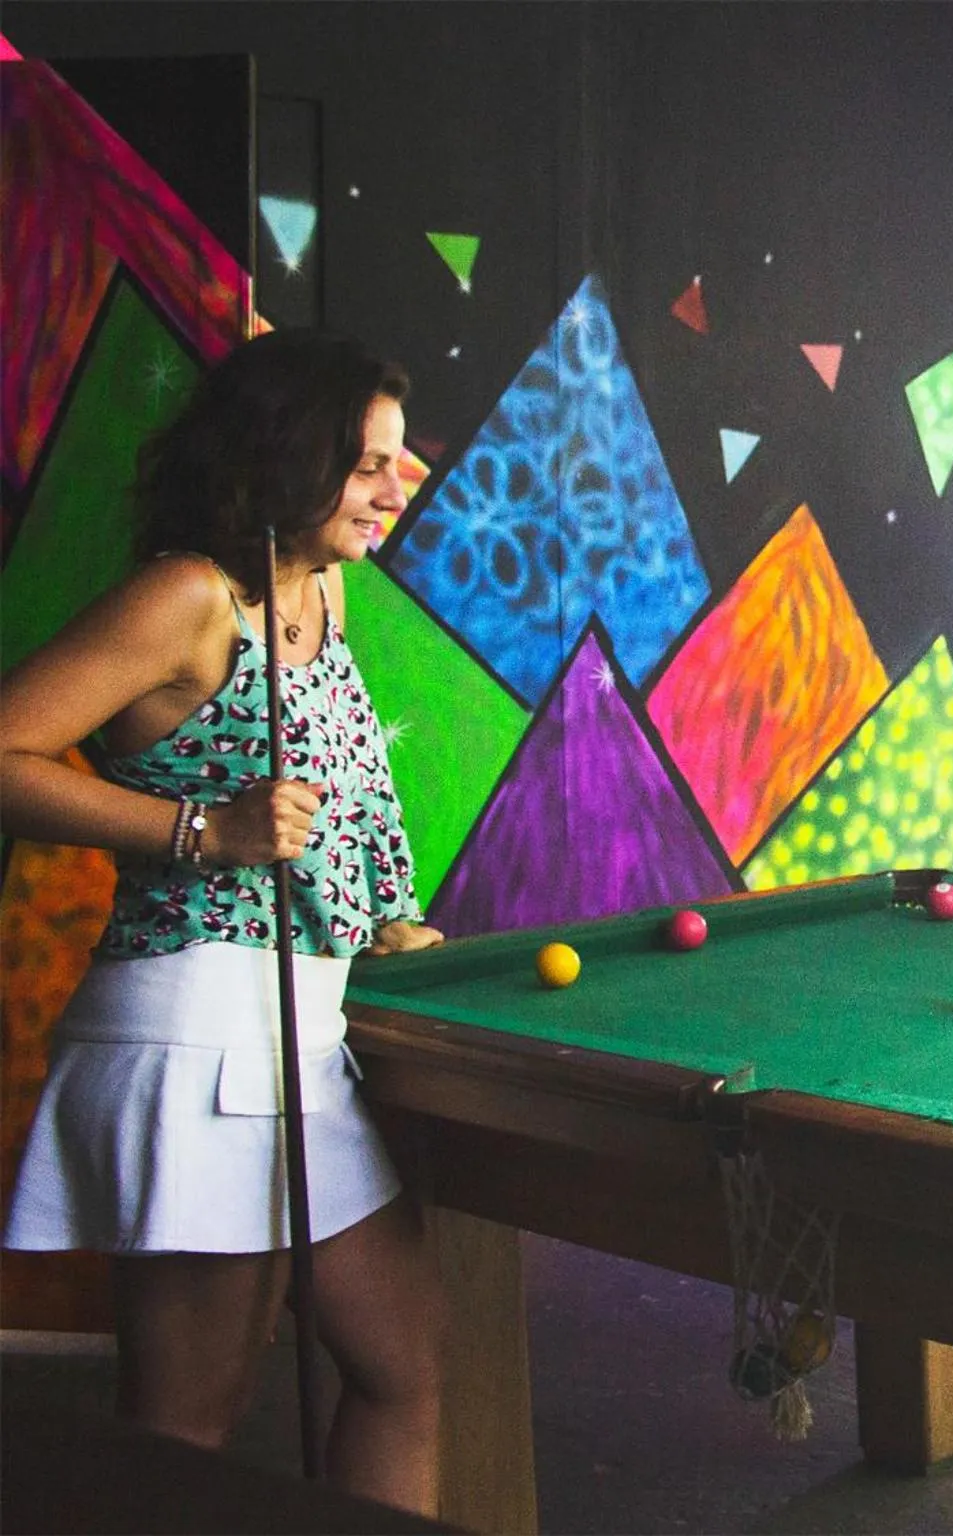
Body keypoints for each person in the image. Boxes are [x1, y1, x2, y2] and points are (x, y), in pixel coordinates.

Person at [0, 329, 447, 1516]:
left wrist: (382, 916)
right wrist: (204, 830)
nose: (399, 487)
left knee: (405, 1374)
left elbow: (336, 797)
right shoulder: (190, 595)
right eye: (367, 466)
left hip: (305, 1032)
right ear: (287, 458)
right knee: (181, 1441)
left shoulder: (321, 590)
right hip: (195, 1038)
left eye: (398, 463)